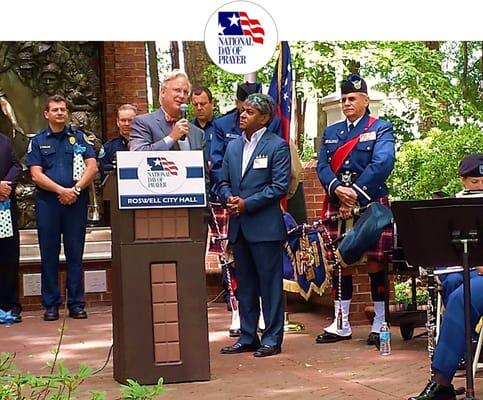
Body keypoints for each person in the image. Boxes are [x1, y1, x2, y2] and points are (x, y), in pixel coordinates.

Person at [316, 74, 395, 345]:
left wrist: (356, 193)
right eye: (344, 99)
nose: (347, 103)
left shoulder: (381, 128)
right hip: (338, 201)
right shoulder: (331, 132)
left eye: (352, 98)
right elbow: (322, 166)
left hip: (370, 202)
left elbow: (383, 162)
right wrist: (337, 188)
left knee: (375, 262)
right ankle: (342, 323)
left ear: (365, 100)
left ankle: (380, 321)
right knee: (340, 262)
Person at [218, 93, 291, 358]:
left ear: (264, 118)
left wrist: (247, 203)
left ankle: (272, 339)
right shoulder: (234, 146)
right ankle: (248, 336)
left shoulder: (277, 146)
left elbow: (278, 186)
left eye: (249, 111)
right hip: (239, 227)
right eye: (242, 110)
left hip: (264, 228)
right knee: (246, 285)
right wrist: (228, 197)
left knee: (269, 286)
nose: (242, 115)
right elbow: (222, 179)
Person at [26, 95, 98, 321]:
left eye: (63, 110)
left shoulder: (79, 138)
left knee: (75, 253)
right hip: (49, 203)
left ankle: (76, 303)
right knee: (49, 254)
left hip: (75, 203)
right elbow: (36, 174)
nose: (60, 113)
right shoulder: (38, 141)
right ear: (46, 114)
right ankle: (51, 305)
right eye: (55, 109)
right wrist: (61, 190)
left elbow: (92, 166)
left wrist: (75, 190)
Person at [438, 154, 483, 306]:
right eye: (475, 182)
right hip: (458, 264)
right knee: (453, 281)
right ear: (463, 181)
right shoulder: (452, 205)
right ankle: (456, 326)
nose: (481, 186)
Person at [129, 70, 205, 152]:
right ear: (163, 92)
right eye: (177, 90)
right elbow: (138, 155)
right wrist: (172, 137)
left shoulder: (197, 133)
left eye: (186, 92)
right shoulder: (143, 123)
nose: (182, 96)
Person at [0, 132, 22, 323]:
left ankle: (10, 306)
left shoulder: (4, 140)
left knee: (8, 258)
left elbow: (17, 165)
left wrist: (6, 185)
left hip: (5, 208)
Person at [99, 103, 137, 179]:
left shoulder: (146, 145)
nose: (126, 124)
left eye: (130, 120)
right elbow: (105, 176)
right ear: (117, 122)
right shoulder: (107, 148)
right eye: (123, 120)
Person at [191, 87, 215, 164]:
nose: (199, 108)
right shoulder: (188, 129)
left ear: (212, 103)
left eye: (203, 104)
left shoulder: (221, 127)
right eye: (195, 105)